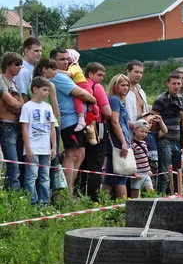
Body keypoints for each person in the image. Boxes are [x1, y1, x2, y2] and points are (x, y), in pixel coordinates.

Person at [49, 47, 96, 196]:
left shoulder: (68, 74)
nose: (65, 62)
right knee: (72, 154)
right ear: (53, 61)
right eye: (61, 59)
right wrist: (94, 99)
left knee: (80, 154)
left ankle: (69, 190)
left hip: (78, 119)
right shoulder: (58, 76)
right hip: (69, 120)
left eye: (67, 59)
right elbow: (81, 93)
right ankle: (66, 194)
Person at [78, 62, 113, 201]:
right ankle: (93, 197)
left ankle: (78, 192)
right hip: (97, 129)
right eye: (99, 75)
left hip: (81, 128)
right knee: (96, 164)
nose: (102, 78)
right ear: (90, 74)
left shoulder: (79, 85)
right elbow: (107, 112)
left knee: (82, 163)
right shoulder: (95, 86)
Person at [152, 72, 183, 194]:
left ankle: (177, 194)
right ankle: (162, 195)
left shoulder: (181, 99)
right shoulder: (161, 99)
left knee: (178, 171)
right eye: (174, 83)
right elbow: (153, 121)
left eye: (179, 83)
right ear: (168, 84)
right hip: (164, 140)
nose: (177, 86)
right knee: (165, 172)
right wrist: (153, 139)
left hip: (176, 140)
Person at [20, 76, 57, 205]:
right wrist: (28, 148)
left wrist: (54, 147)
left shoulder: (48, 107)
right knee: (31, 176)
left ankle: (44, 203)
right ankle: (32, 203)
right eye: (45, 90)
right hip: (33, 147)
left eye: (48, 90)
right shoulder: (27, 107)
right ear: (35, 89)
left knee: (45, 177)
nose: (47, 93)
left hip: (45, 148)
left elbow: (52, 128)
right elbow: (24, 129)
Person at [101, 74, 131, 200]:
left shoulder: (117, 100)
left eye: (127, 85)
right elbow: (114, 121)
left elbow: (124, 123)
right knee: (121, 176)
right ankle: (123, 207)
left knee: (110, 175)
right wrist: (123, 142)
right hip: (117, 142)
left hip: (117, 141)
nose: (126, 88)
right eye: (122, 85)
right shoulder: (114, 100)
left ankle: (102, 202)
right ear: (115, 86)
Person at [33, 59, 61, 193]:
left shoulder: (31, 84)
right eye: (53, 69)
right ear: (45, 70)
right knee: (50, 162)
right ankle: (50, 195)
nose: (55, 72)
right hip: (51, 125)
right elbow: (56, 109)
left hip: (36, 126)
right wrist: (58, 123)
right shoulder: (50, 85)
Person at [0, 52, 24, 190]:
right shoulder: (1, 80)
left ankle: (10, 197)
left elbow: (18, 104)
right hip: (6, 126)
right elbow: (11, 102)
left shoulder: (14, 84)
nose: (20, 67)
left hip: (16, 126)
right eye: (16, 64)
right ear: (7, 65)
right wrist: (18, 106)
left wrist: (17, 106)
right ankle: (11, 200)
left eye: (20, 64)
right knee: (13, 166)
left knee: (16, 166)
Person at [57, 49, 97, 132]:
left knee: (76, 99)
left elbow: (68, 74)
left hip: (83, 86)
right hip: (82, 86)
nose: (66, 62)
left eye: (67, 59)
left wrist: (56, 71)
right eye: (63, 59)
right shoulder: (73, 67)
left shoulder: (74, 66)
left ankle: (81, 119)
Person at [130, 119, 154, 198]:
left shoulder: (144, 143)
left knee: (151, 192)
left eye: (146, 132)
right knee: (135, 192)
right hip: (138, 173)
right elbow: (131, 160)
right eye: (141, 131)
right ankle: (134, 207)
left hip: (146, 173)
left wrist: (149, 169)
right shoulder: (132, 144)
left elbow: (146, 158)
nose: (144, 134)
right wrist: (134, 173)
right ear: (135, 130)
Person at [14, 37, 42, 102]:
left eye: (40, 51)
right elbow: (23, 95)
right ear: (26, 51)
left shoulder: (31, 67)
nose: (40, 54)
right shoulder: (23, 70)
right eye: (36, 51)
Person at [125, 60, 149, 124]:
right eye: (136, 72)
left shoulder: (141, 92)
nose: (139, 75)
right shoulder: (121, 90)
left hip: (142, 130)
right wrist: (130, 124)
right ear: (128, 71)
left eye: (141, 73)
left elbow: (144, 112)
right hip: (126, 130)